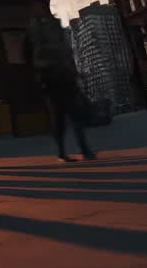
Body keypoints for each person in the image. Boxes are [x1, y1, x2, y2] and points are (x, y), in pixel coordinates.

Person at [31, 17, 97, 162]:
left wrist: (75, 74)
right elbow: (37, 64)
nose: (56, 32)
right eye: (53, 30)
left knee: (76, 119)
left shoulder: (63, 46)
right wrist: (55, 64)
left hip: (68, 86)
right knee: (60, 122)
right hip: (54, 88)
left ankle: (84, 151)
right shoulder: (43, 48)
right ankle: (62, 152)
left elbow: (71, 62)